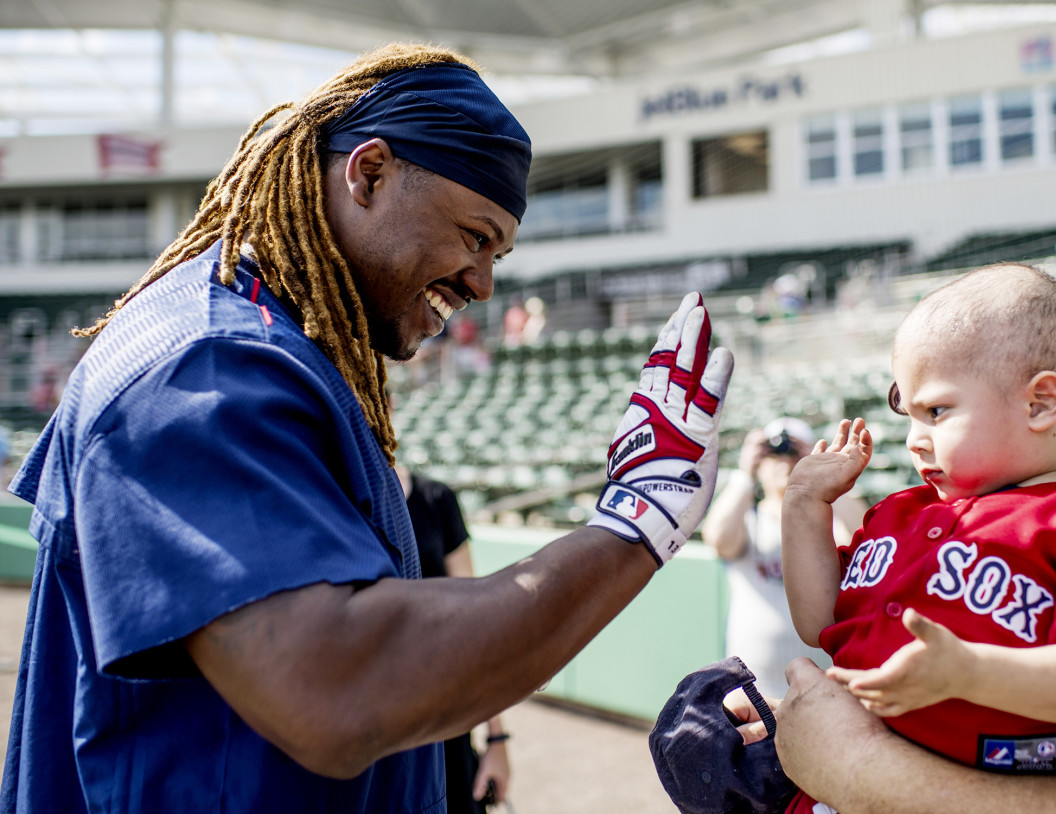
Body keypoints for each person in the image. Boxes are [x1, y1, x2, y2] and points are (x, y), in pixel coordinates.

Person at [0, 44, 734, 814]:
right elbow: (335, 689)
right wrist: (635, 523)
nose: (483, 282)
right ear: (370, 173)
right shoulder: (209, 364)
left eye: (499, 253)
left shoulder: (269, 344)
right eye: (475, 237)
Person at [770, 286, 1056, 814]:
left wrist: (852, 760)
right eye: (910, 410)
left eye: (939, 410)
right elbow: (824, 622)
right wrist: (803, 505)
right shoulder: (908, 513)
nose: (914, 440)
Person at [700, 418, 865, 698]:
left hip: (823, 684)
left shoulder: (832, 521)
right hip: (752, 686)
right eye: (773, 453)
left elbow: (866, 537)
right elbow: (717, 538)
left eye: (794, 454)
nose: (784, 461)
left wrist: (821, 475)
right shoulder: (748, 518)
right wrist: (744, 474)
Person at [396, 464, 511, 813]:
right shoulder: (337, 495)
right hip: (375, 725)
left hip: (447, 720)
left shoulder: (436, 497)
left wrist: (497, 738)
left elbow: (472, 625)